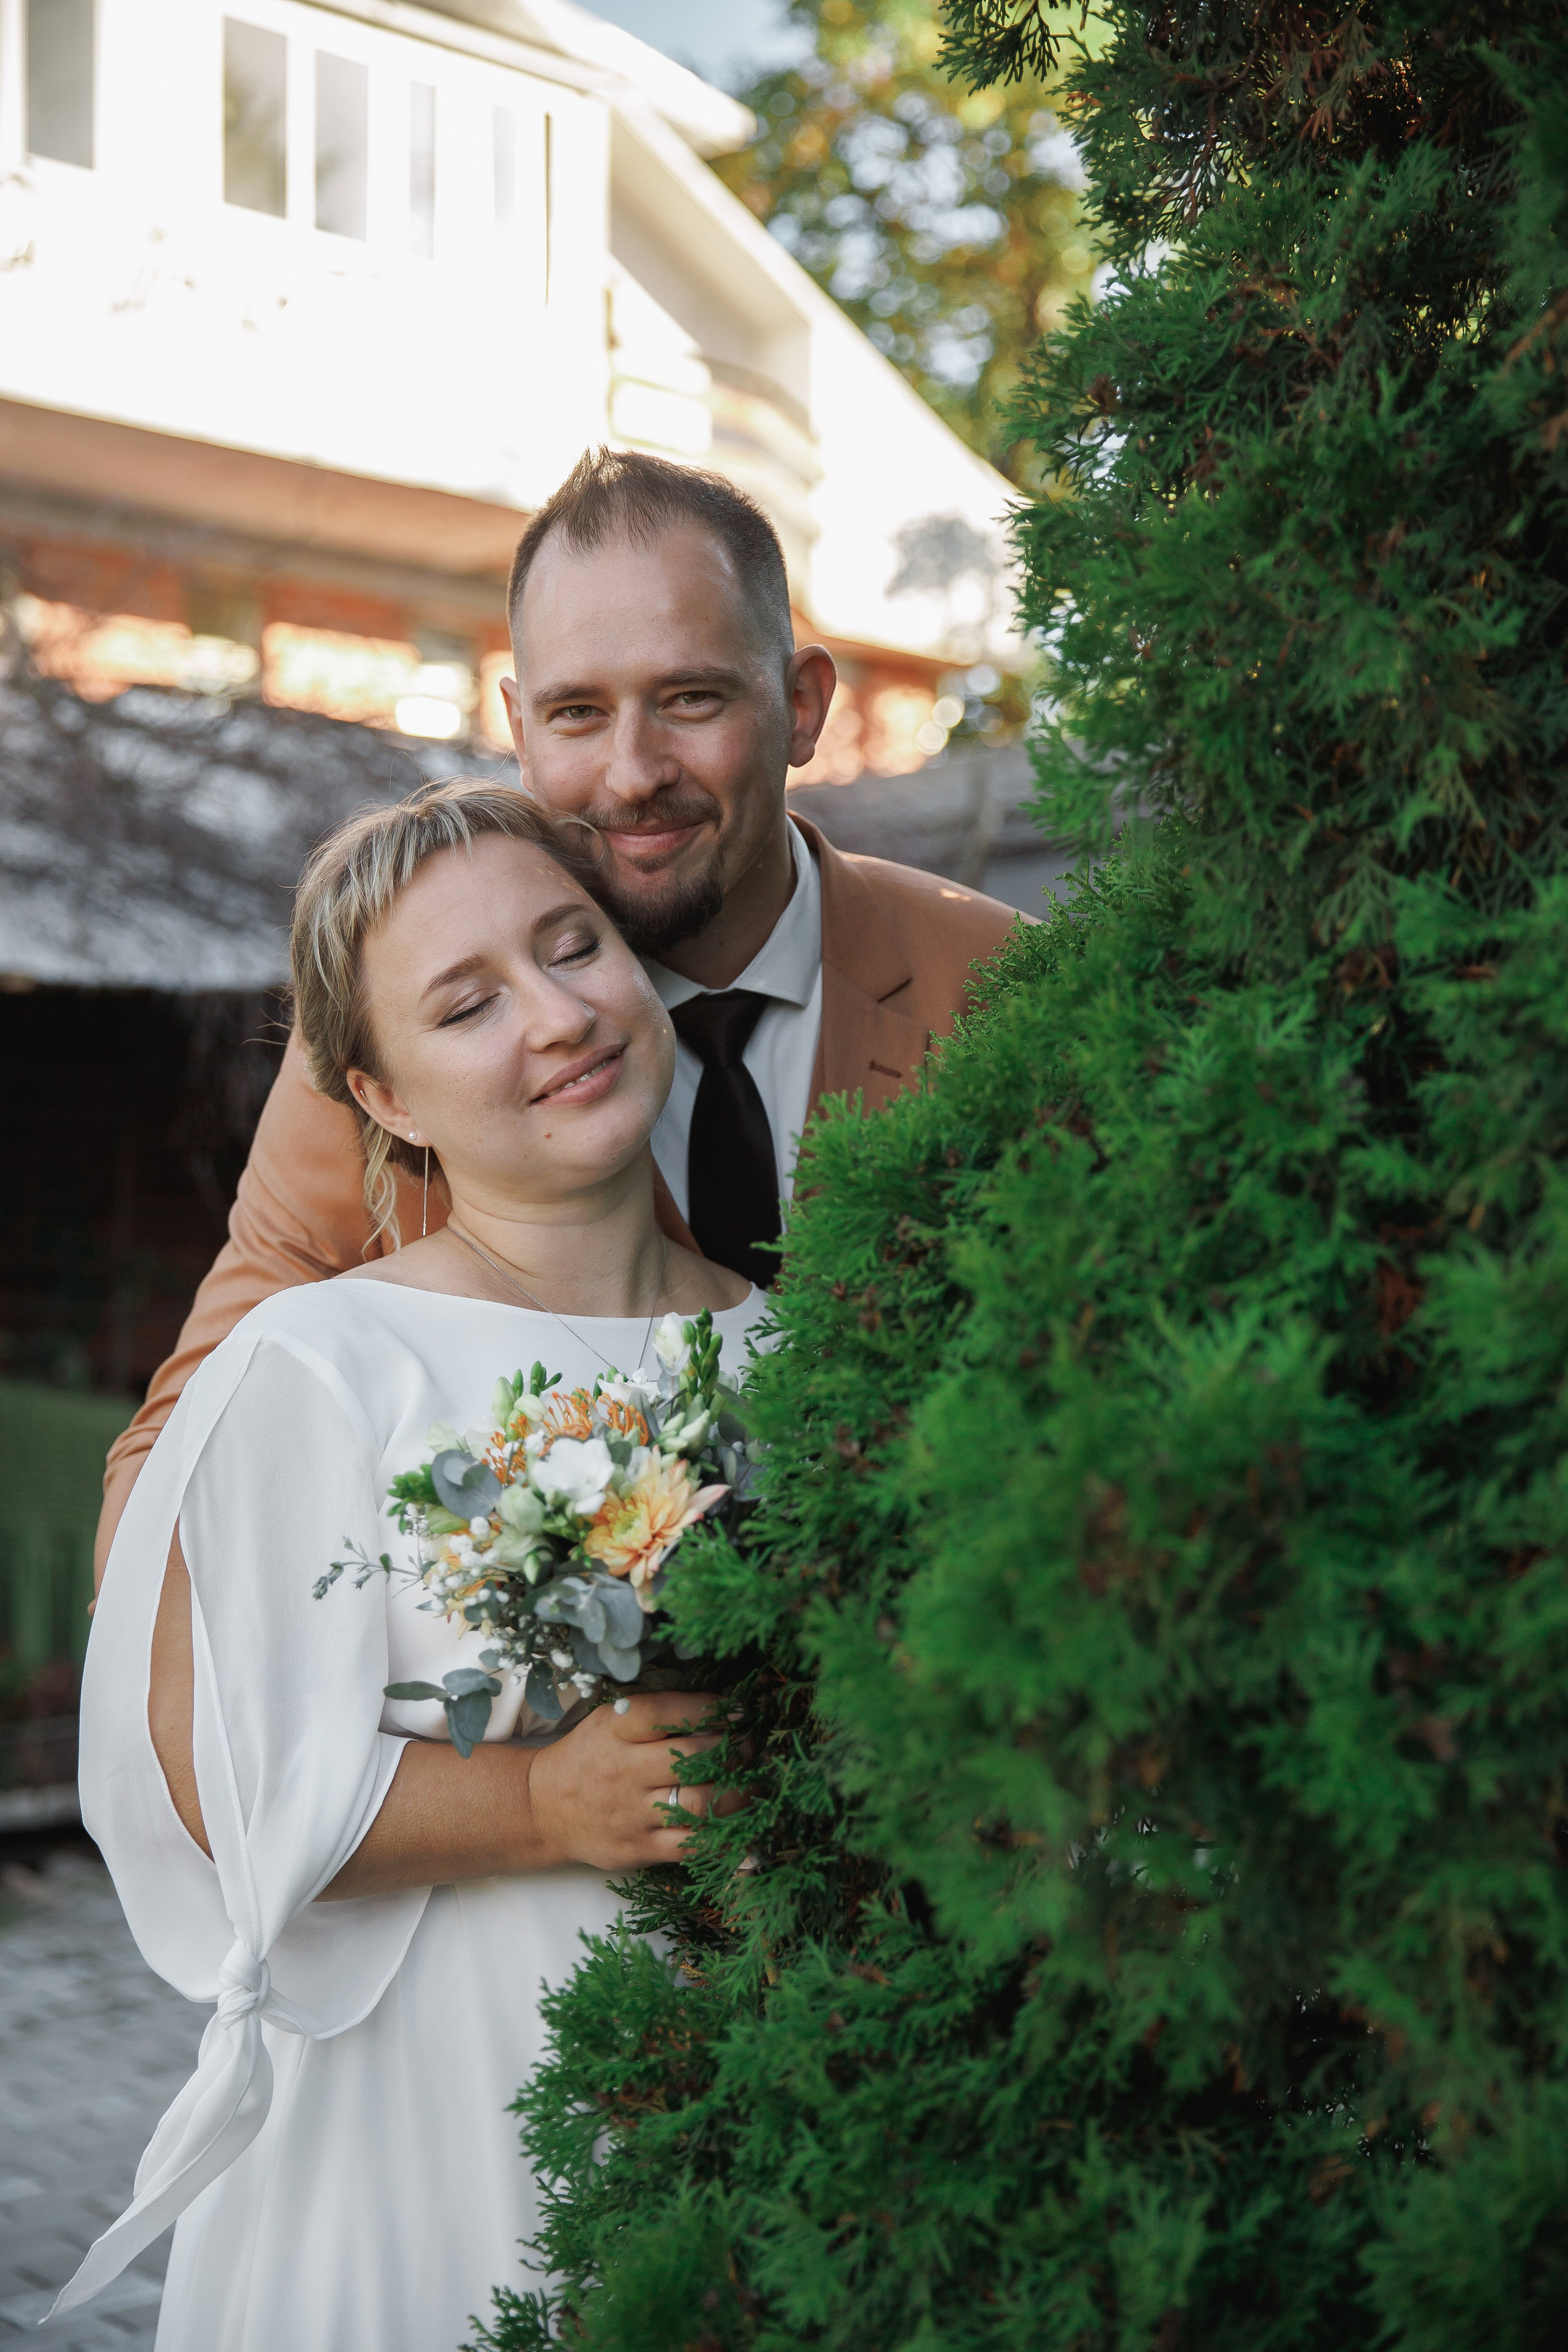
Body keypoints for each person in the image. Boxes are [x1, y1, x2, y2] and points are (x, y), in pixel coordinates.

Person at [58, 780, 769, 2350]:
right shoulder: (322, 1362)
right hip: (432, 2113)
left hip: (763, 2105)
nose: (557, 1016)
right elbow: (217, 1786)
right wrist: (534, 1803)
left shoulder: (800, 1348)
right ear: (380, 1096)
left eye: (570, 946)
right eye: (467, 1004)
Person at [94, 448, 1021, 1577]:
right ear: (519, 726)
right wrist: (500, 1766)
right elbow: (172, 1479)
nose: (634, 774)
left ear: (803, 703)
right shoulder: (400, 1058)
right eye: (578, 712)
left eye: (690, 699)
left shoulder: (1002, 987)